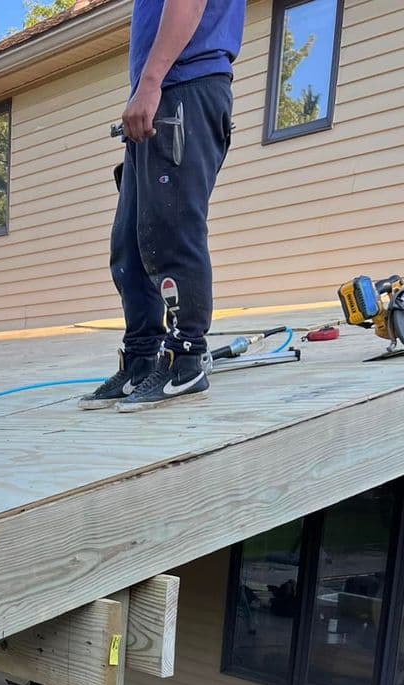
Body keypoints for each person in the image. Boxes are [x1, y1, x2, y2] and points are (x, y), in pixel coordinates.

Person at [81, 0, 246, 412]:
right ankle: (141, 357)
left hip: (185, 86)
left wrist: (151, 82)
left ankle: (185, 357)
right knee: (132, 242)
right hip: (160, 95)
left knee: (172, 228)